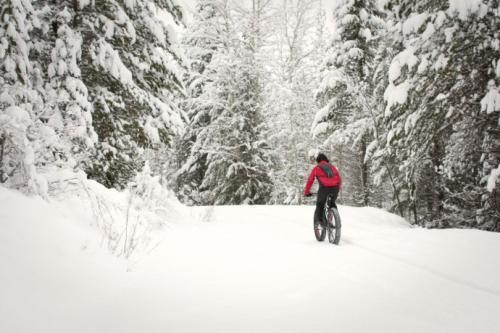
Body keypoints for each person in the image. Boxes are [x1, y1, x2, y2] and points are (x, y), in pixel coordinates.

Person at [304, 152, 341, 226]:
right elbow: (339, 179)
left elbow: (310, 181)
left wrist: (306, 192)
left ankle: (321, 221)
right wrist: (338, 188)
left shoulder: (316, 168)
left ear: (318, 160)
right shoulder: (332, 167)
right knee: (332, 203)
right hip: (335, 188)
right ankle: (335, 218)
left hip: (324, 189)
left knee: (320, 204)